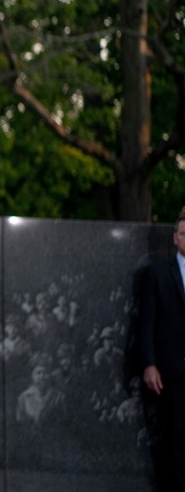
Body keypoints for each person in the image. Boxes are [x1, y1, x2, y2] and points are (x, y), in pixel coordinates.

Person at [138, 210, 185, 490]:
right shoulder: (156, 275)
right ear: (174, 238)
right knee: (177, 439)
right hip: (173, 370)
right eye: (184, 234)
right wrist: (149, 363)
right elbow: (146, 322)